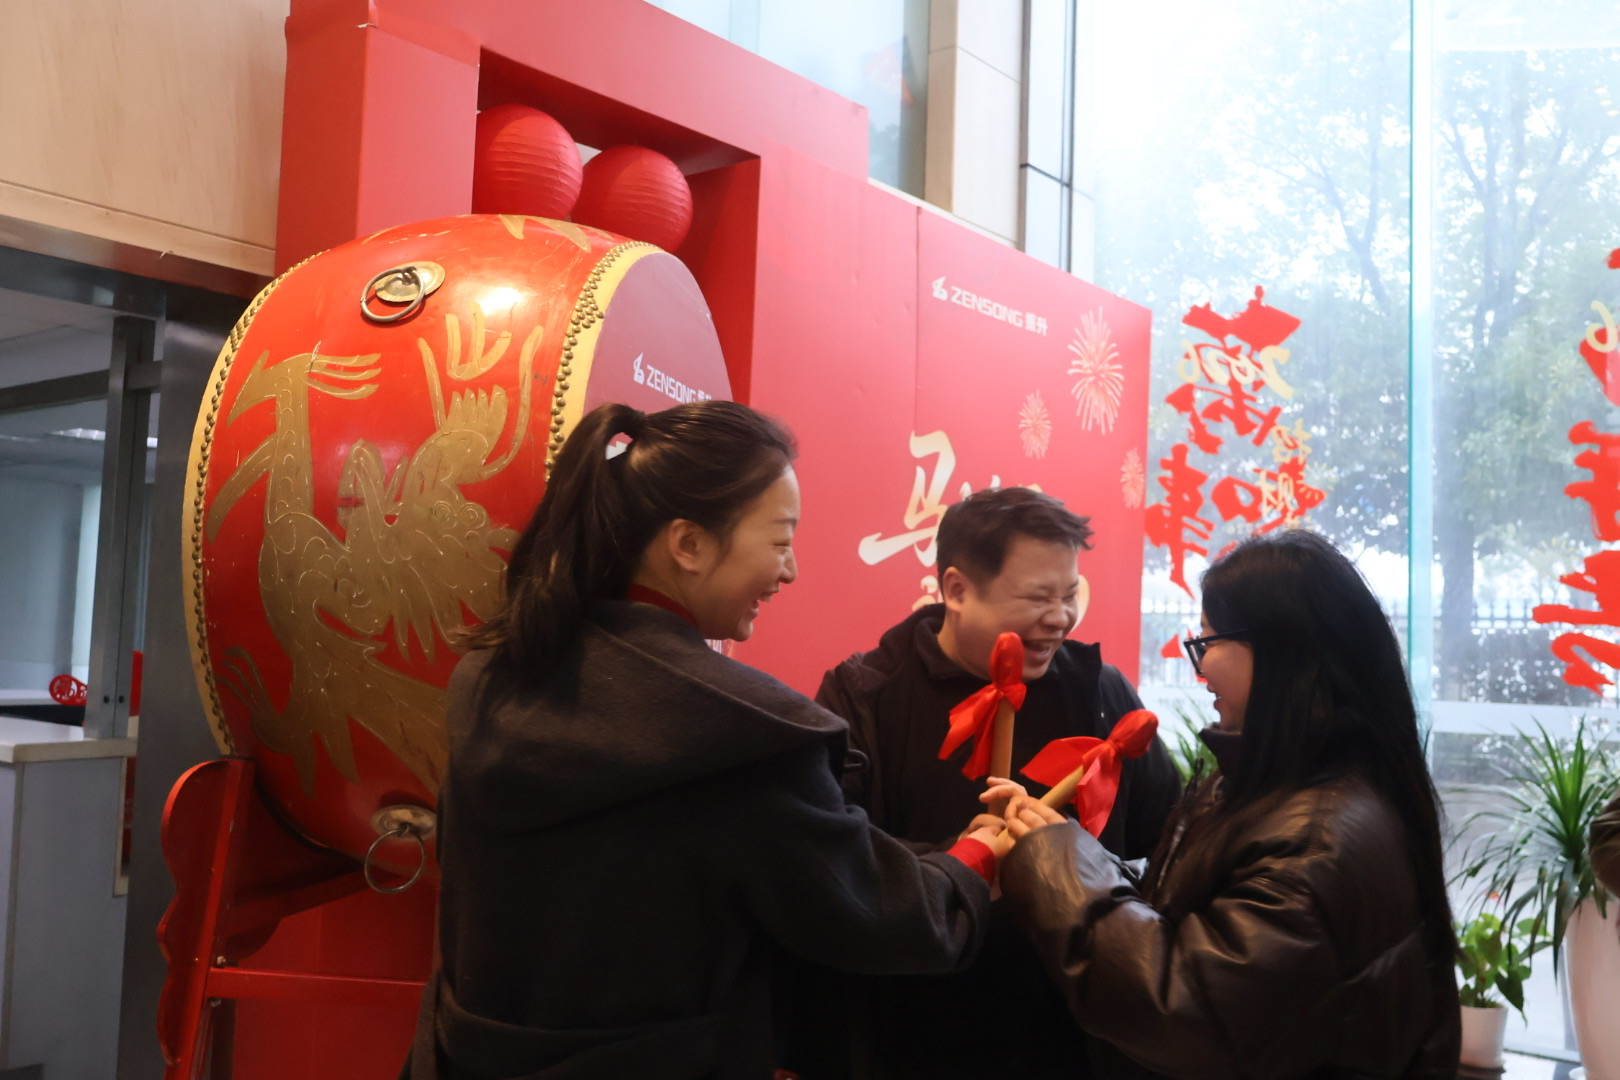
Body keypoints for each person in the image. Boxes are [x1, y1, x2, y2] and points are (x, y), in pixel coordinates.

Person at [407, 400, 1006, 1080]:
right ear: (688, 545)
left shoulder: (491, 676)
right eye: (779, 542)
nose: (790, 571)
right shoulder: (741, 733)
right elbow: (874, 913)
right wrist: (975, 862)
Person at [998, 529, 1460, 1080]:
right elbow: (1201, 904)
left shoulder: (1318, 838)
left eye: (1209, 642)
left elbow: (1186, 1011)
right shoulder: (1278, 781)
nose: (1200, 668)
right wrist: (1077, 857)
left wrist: (1057, 866)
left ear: (1283, 653)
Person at [792, 487, 1181, 1080]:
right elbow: (833, 863)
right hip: (913, 1031)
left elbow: (1170, 849)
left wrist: (1075, 868)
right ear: (956, 590)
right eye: (1038, 597)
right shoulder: (864, 694)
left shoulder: (1101, 693)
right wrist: (966, 863)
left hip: (1071, 1037)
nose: (1060, 617)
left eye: (1069, 595)